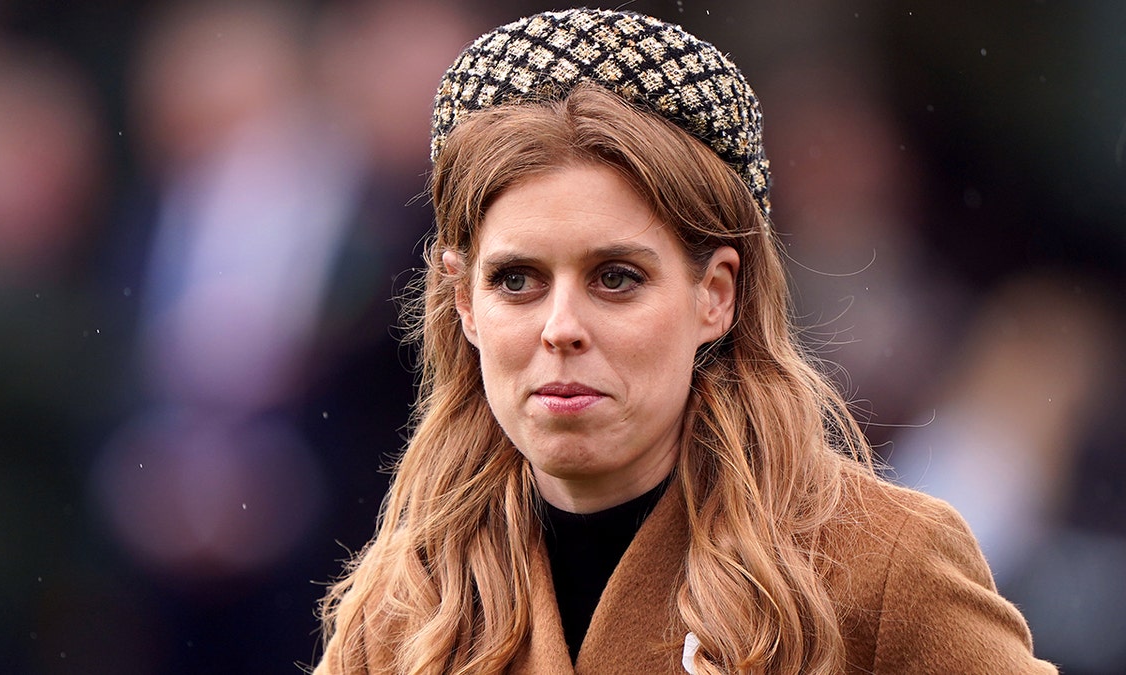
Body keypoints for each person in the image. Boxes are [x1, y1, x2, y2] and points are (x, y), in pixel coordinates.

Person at [313, 8, 1056, 674]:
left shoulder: (879, 569)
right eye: (516, 280)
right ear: (462, 301)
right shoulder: (404, 610)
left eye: (615, 277)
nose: (561, 327)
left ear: (717, 295)